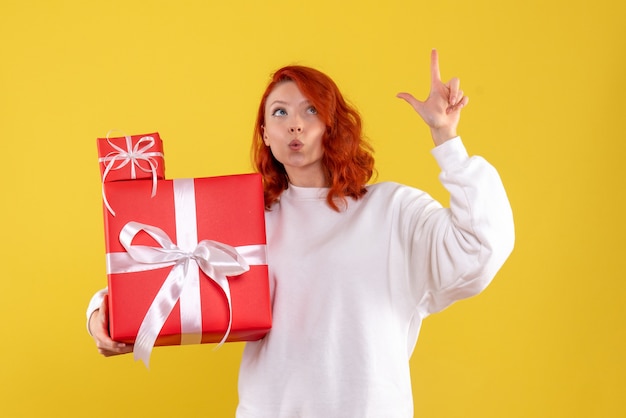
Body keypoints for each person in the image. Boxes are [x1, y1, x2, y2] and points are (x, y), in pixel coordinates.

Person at [87, 49, 515, 417]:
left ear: (334, 125)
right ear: (265, 134)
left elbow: (480, 245)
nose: (296, 124)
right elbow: (154, 267)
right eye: (280, 112)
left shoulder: (393, 210)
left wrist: (446, 137)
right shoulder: (246, 220)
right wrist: (99, 317)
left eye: (311, 110)